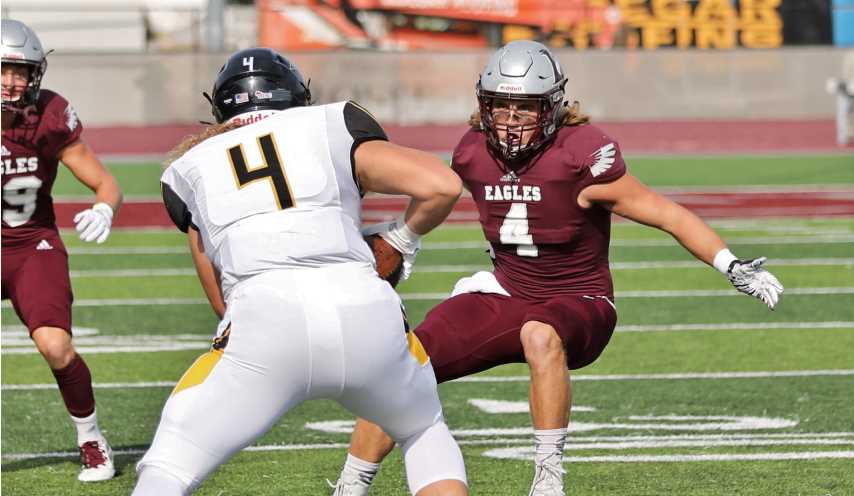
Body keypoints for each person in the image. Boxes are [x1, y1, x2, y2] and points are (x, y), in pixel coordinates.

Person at [332, 40, 785, 496]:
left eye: (524, 109)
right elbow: (433, 196)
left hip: (580, 300)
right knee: (404, 359)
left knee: (539, 333)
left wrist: (731, 265)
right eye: (501, 107)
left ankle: (548, 482)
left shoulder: (580, 156)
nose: (510, 122)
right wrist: (401, 238)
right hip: (507, 291)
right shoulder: (472, 152)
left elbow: (667, 214)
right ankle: (350, 486)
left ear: (551, 108)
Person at [131, 47, 468, 496]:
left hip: (267, 322)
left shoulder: (186, 171)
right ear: (296, 95)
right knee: (423, 429)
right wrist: (399, 240)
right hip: (364, 311)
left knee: (169, 463)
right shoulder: (331, 124)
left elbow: (220, 300)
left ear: (219, 108)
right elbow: (440, 186)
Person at [1, 19, 121, 482]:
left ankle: (90, 438)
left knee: (55, 345)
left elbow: (104, 182)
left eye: (21, 70)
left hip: (33, 244)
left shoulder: (49, 115)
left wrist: (105, 208)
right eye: (4, 69)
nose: (12, 81)